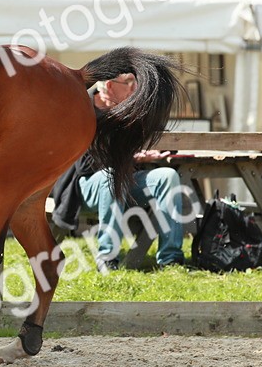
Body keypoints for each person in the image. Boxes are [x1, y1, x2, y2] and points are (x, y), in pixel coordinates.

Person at [79, 73, 188, 273]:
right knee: (110, 176)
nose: (134, 88)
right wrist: (130, 156)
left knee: (168, 176)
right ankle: (108, 257)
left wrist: (156, 150)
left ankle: (171, 259)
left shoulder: (131, 110)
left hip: (126, 179)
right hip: (87, 184)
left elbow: (160, 133)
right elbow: (83, 161)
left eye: (135, 82)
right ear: (110, 85)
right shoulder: (80, 108)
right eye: (128, 83)